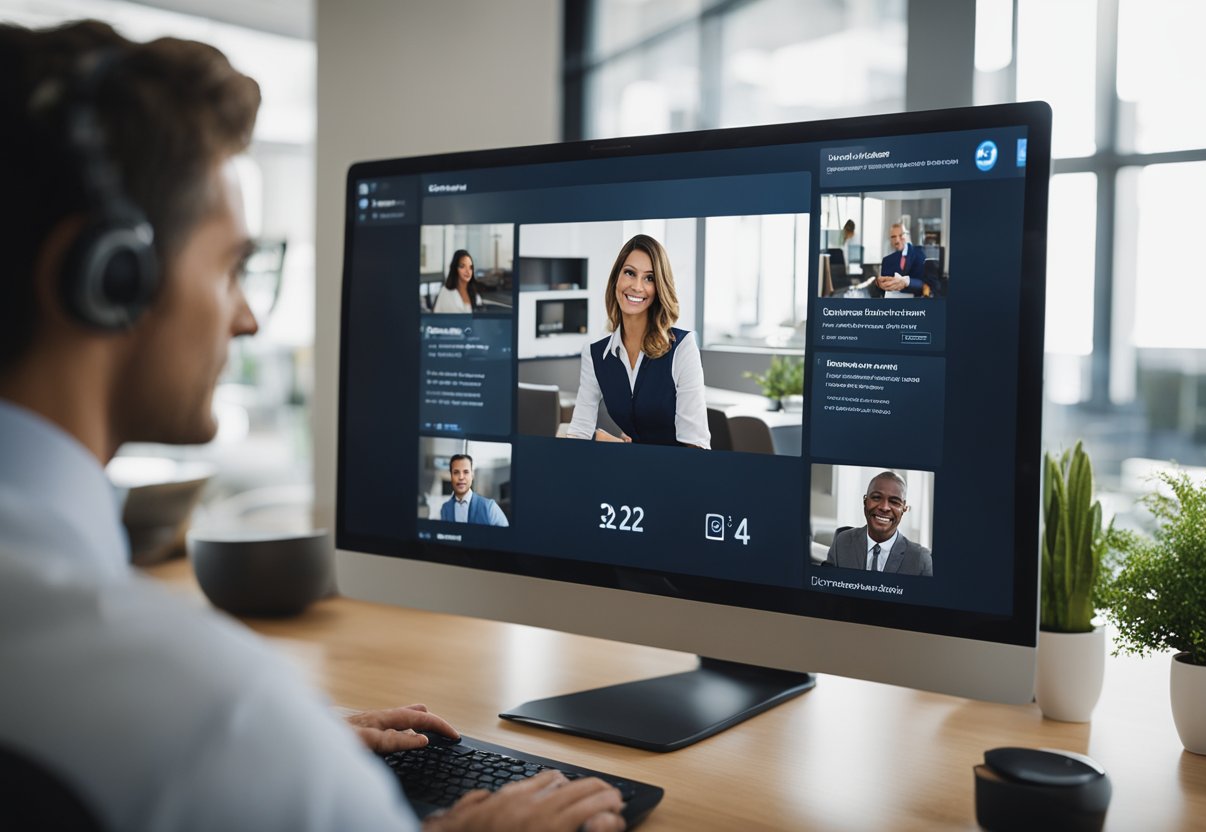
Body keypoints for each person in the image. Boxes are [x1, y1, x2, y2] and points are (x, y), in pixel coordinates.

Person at [0, 20, 623, 832]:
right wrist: (263, 748)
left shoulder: (196, 717)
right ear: (106, 277)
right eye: (230, 267)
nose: (249, 318)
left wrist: (292, 752)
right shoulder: (200, 712)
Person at [566, 234, 711, 448]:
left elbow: (696, 448)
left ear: (659, 287)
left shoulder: (682, 347)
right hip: (629, 474)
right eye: (629, 273)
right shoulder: (596, 355)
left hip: (678, 477)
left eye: (649, 278)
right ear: (617, 278)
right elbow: (578, 433)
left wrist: (617, 445)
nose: (637, 286)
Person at [825, 471, 933, 576]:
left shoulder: (920, 559)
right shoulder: (842, 542)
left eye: (894, 501)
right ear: (865, 502)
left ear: (903, 508)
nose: (884, 507)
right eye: (876, 497)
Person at [439, 454, 509, 526]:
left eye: (466, 472)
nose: (461, 477)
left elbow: (506, 535)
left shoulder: (489, 507)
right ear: (451, 476)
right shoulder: (445, 509)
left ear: (472, 475)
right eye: (456, 472)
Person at [878, 222, 938, 297]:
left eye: (900, 235)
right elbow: (882, 290)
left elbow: (927, 283)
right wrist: (879, 284)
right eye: (893, 237)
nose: (897, 240)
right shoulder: (887, 260)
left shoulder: (920, 253)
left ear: (907, 235)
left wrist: (907, 282)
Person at [432, 249, 481, 313]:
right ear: (455, 269)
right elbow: (436, 318)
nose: (467, 271)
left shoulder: (475, 295)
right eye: (462, 266)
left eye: (470, 267)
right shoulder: (445, 292)